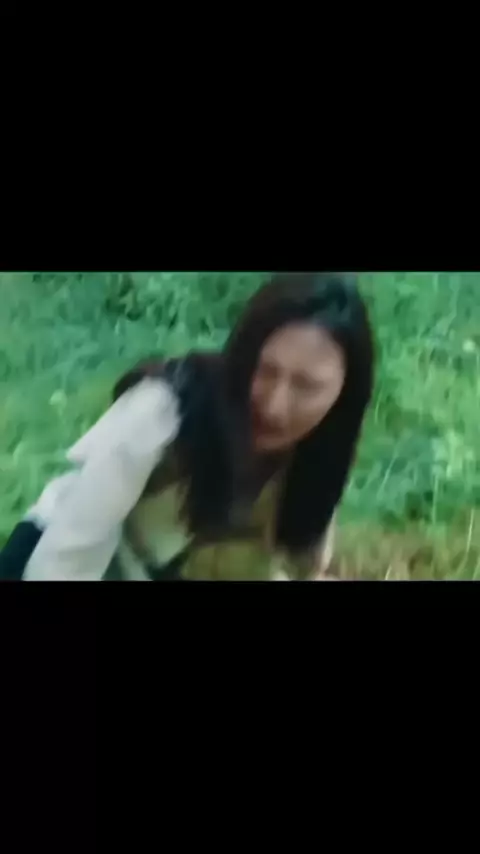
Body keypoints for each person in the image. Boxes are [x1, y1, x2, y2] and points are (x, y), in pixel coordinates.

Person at [0, 272, 375, 581]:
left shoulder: (322, 449)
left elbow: (293, 559)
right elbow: (67, 552)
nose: (275, 406)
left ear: (344, 391)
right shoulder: (162, 411)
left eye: (306, 387)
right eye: (265, 370)